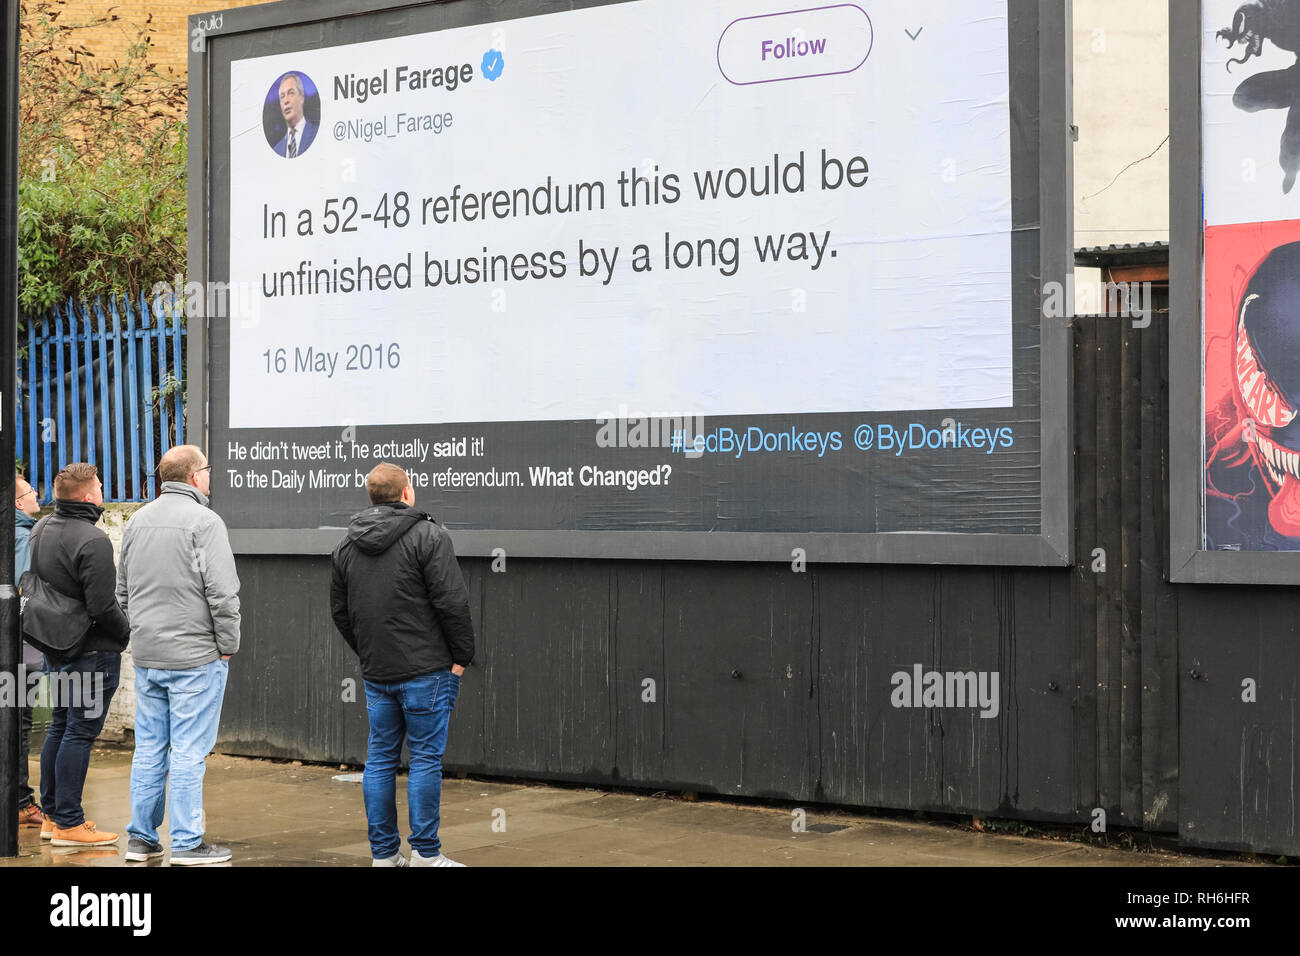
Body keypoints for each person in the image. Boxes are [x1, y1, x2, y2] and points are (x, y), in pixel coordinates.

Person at [330, 462, 475, 867]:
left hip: (378, 672)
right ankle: (427, 855)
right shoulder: (429, 536)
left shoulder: (346, 545)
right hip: (428, 670)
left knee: (379, 760)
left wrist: (368, 652)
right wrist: (461, 657)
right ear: (407, 493)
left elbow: (341, 613)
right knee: (425, 759)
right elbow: (452, 602)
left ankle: (384, 856)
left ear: (372, 496)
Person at [116, 445, 240, 865]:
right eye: (206, 469)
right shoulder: (206, 523)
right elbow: (223, 594)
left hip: (150, 657)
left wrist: (143, 633)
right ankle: (188, 843)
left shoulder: (136, 522)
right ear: (192, 476)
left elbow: (122, 592)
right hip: (196, 657)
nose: (209, 476)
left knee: (150, 748)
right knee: (189, 750)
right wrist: (228, 645)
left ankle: (141, 839)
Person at [34, 463, 128, 846]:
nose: (103, 490)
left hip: (56, 648)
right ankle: (70, 824)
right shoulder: (93, 540)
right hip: (92, 651)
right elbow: (103, 605)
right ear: (88, 495)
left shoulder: (41, 528)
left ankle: (52, 818)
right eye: (101, 486)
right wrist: (124, 633)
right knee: (79, 733)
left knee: (60, 726)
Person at [14, 475, 44, 828]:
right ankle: (21, 802)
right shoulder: (23, 537)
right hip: (20, 650)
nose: (38, 495)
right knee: (19, 724)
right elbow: (25, 594)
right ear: (18, 503)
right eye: (31, 492)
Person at [273, 72, 317, 158]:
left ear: (301, 98)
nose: (286, 101)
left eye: (291, 93)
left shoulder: (317, 134)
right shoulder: (277, 149)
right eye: (282, 96)